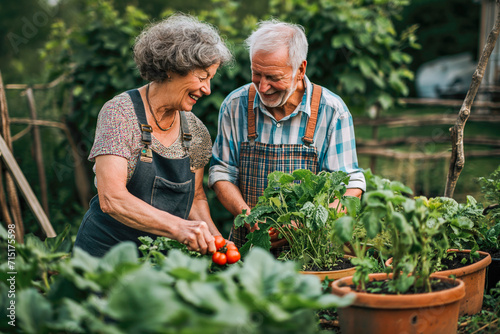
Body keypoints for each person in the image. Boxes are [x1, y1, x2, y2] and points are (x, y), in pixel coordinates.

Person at [74, 14, 233, 257]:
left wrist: (215, 241)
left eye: (210, 79)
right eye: (202, 78)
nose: (207, 89)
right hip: (105, 257)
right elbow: (111, 198)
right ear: (172, 69)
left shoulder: (196, 130)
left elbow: (195, 198)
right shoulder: (120, 114)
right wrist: (179, 228)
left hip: (158, 260)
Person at [209, 19, 366, 249]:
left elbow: (350, 186)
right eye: (256, 74)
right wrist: (248, 215)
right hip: (250, 246)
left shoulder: (332, 111)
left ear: (300, 70)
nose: (262, 87)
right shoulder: (235, 105)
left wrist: (304, 224)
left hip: (310, 251)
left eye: (273, 77)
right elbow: (221, 172)